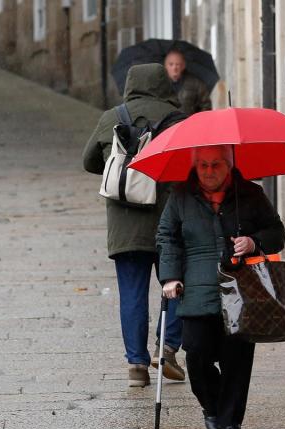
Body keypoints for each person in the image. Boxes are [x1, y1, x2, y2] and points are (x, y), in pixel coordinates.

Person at [156, 145, 285, 429]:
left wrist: (253, 242)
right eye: (203, 165)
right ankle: (212, 406)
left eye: (216, 164)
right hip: (196, 286)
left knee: (237, 357)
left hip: (242, 288)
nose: (209, 171)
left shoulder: (250, 194)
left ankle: (231, 422)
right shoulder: (180, 196)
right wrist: (170, 276)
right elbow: (166, 237)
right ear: (195, 166)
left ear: (229, 165)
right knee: (196, 353)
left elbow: (277, 233)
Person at [82, 63, 187, 387]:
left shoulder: (111, 118)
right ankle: (167, 347)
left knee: (132, 294)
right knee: (178, 284)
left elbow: (89, 161)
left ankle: (137, 366)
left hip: (125, 225)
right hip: (170, 223)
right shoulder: (179, 120)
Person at [163, 49, 212, 115]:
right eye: (171, 64)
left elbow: (206, 106)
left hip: (189, 120)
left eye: (177, 64)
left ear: (183, 65)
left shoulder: (196, 84)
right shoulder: (160, 84)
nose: (174, 68)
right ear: (165, 66)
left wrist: (196, 119)